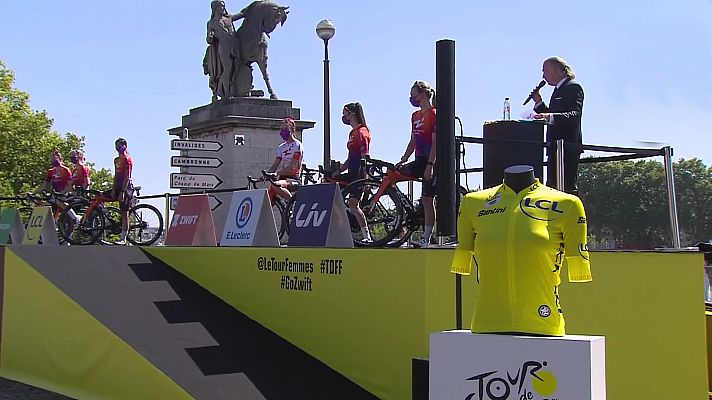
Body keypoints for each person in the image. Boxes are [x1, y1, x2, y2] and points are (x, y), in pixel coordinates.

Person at [451, 165, 592, 336]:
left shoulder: (567, 204)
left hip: (543, 322)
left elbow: (578, 260)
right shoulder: (473, 202)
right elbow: (464, 252)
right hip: (487, 321)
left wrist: (579, 269)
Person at [531, 56, 584, 195]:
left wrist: (549, 116)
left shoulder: (573, 87)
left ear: (555, 70)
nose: (543, 76)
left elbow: (574, 115)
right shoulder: (558, 91)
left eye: (545, 71)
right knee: (553, 187)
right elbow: (552, 115)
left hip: (566, 147)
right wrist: (539, 103)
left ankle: (574, 215)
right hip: (555, 147)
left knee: (565, 188)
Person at [395, 80, 437, 247]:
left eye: (413, 95)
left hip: (431, 160)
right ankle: (403, 219)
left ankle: (426, 237)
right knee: (392, 176)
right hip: (418, 159)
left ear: (422, 95)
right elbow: (413, 140)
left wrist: (430, 165)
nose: (411, 98)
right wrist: (404, 158)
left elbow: (436, 142)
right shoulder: (415, 116)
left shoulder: (434, 114)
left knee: (428, 199)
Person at [332, 102, 372, 242]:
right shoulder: (352, 133)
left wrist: (366, 178)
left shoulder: (362, 132)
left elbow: (364, 156)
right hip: (351, 171)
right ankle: (340, 223)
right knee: (331, 187)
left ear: (352, 114)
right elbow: (350, 157)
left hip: (359, 173)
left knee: (354, 205)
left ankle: (367, 235)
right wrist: (339, 171)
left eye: (345, 113)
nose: (343, 117)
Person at [265, 117, 303, 202]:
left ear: (292, 130)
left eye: (285, 129)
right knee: (268, 199)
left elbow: (293, 166)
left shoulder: (297, 145)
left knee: (276, 184)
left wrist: (276, 173)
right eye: (281, 129)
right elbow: (275, 165)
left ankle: (293, 204)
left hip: (294, 179)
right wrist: (265, 175)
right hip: (283, 178)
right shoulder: (281, 147)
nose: (282, 131)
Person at [106, 138, 133, 245]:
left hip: (126, 187)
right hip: (117, 186)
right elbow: (116, 175)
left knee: (124, 212)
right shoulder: (116, 160)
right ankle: (107, 224)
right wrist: (113, 188)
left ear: (125, 145)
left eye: (120, 145)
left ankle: (123, 238)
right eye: (116, 145)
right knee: (101, 196)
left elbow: (127, 176)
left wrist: (122, 191)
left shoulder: (127, 159)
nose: (118, 147)